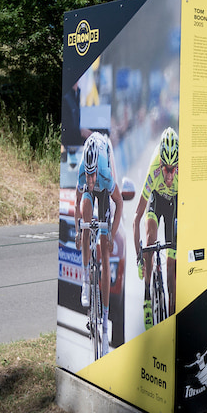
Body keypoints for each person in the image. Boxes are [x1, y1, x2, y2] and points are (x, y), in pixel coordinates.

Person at [77, 131, 123, 355]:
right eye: (88, 175)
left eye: (92, 175)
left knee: (105, 252)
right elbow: (78, 201)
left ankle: (105, 326)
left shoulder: (104, 173)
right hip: (89, 199)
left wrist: (111, 235)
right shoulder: (82, 173)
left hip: (106, 196)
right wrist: (79, 230)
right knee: (86, 221)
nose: (91, 179)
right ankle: (85, 280)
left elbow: (120, 205)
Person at [132, 127, 179, 331]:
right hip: (156, 200)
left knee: (171, 267)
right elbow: (136, 218)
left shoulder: (183, 172)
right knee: (150, 238)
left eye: (173, 168)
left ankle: (172, 316)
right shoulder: (154, 170)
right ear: (160, 163)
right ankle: (147, 297)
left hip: (173, 205)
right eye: (166, 168)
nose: (169, 175)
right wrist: (139, 256)